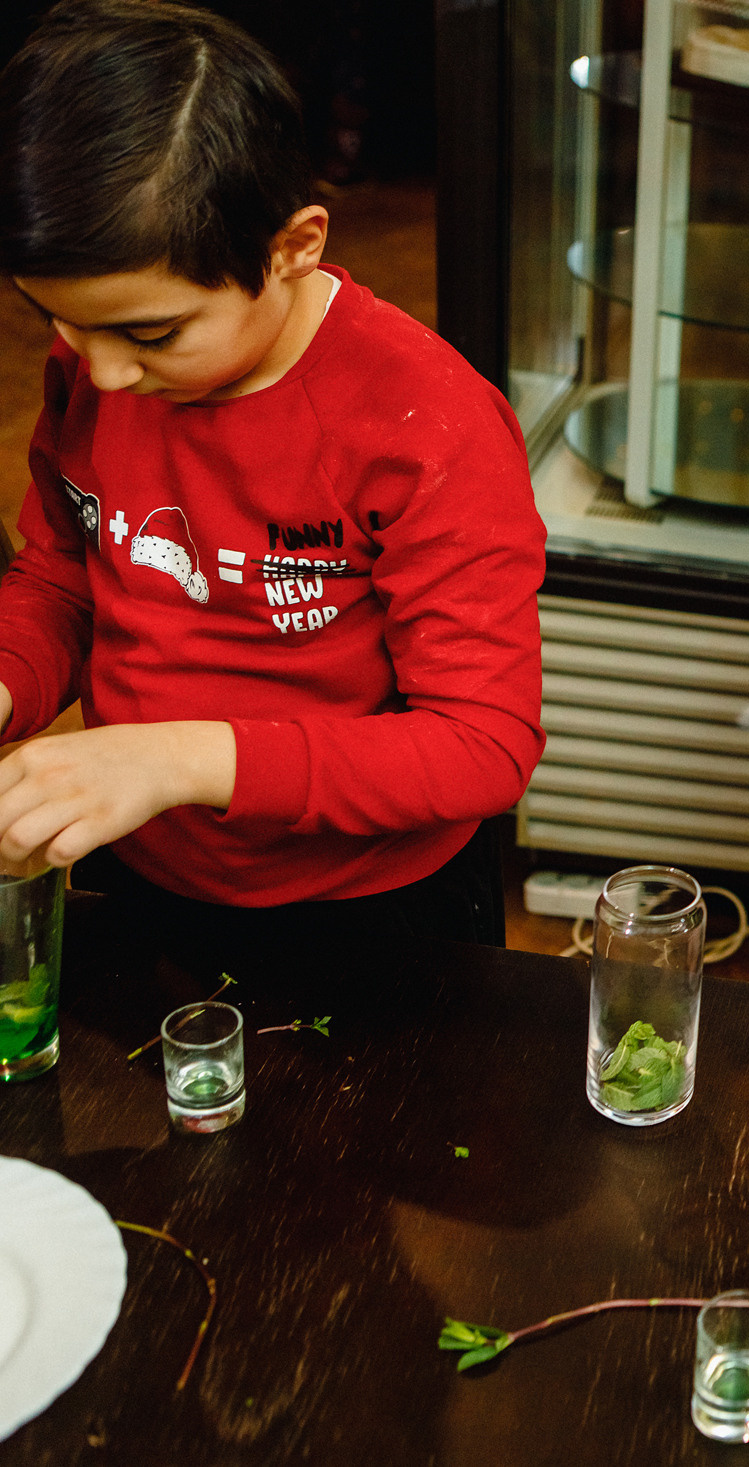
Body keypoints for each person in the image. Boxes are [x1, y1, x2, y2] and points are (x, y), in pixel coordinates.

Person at [0, 0, 545, 979]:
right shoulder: (94, 353)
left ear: (294, 246)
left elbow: (482, 743)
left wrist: (177, 761)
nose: (106, 372)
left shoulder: (426, 426)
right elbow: (65, 576)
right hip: (142, 863)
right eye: (66, 322)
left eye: (155, 335)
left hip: (372, 908)